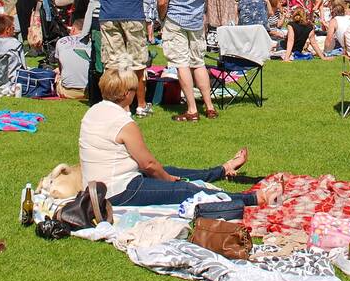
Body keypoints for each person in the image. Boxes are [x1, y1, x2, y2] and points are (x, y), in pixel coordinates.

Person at [79, 69, 265, 218]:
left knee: (173, 171)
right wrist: (166, 179)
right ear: (127, 93)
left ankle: (223, 169)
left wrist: (166, 174)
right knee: (184, 189)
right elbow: (148, 164)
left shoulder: (93, 112)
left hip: (100, 185)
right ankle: (251, 199)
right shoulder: (123, 123)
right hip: (118, 191)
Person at [157, 0, 215, 121]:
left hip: (176, 16)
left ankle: (192, 109)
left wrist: (161, 17)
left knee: (181, 62)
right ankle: (209, 106)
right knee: (198, 62)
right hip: (196, 16)